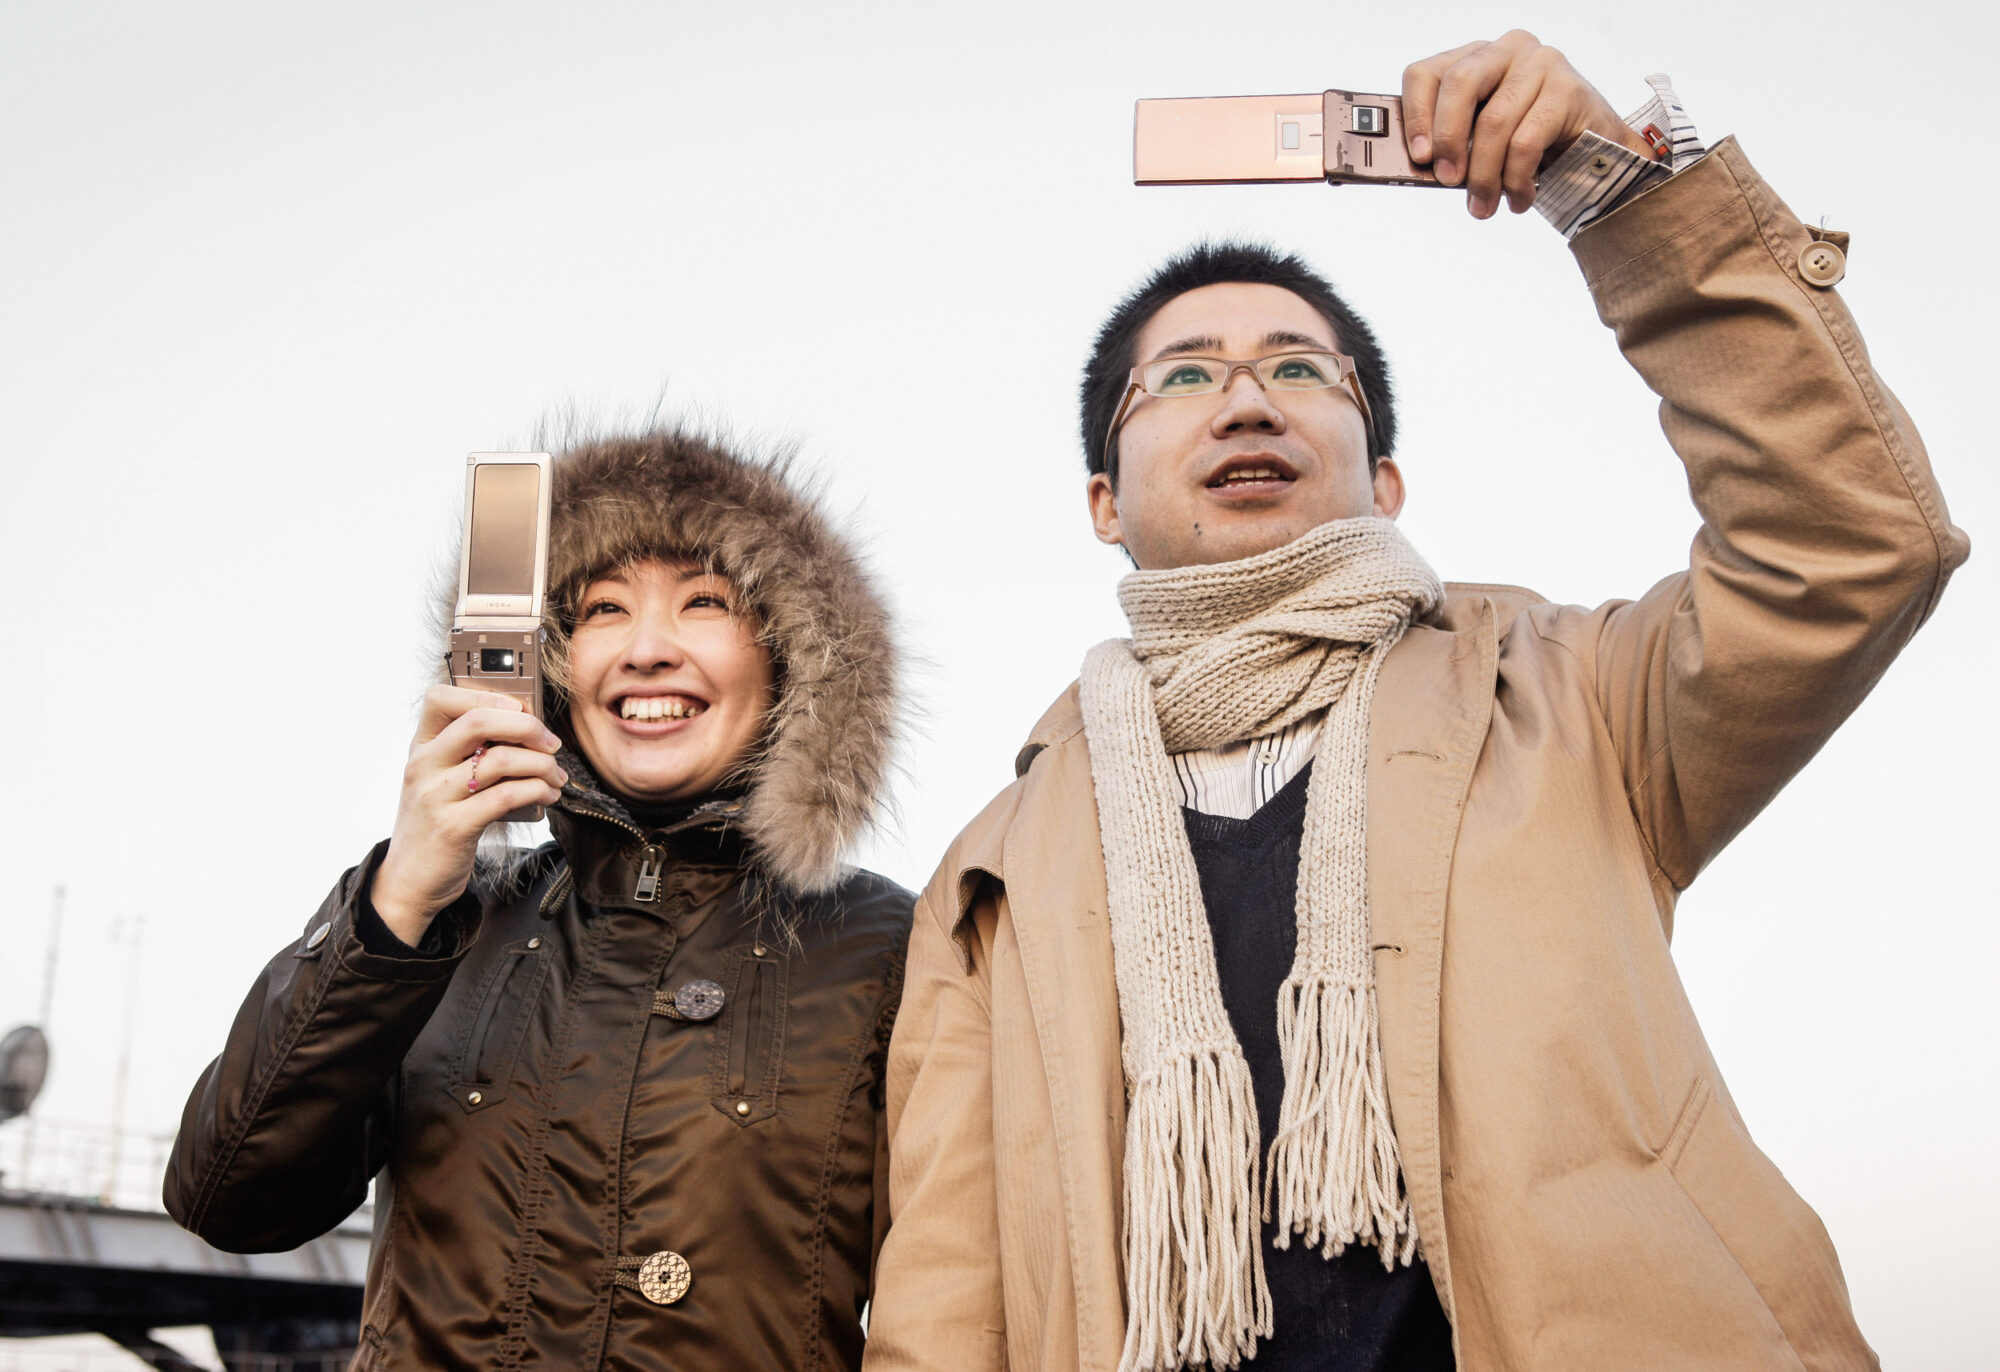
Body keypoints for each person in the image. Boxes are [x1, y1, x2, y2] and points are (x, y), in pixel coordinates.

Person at [864, 31, 1969, 1372]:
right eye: (1187, 376)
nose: (1248, 396)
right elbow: (942, 1293)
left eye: (1301, 367)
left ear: (1384, 482)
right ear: (1104, 502)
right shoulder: (994, 871)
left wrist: (1627, 201)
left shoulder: (1573, 701)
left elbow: (1851, 542)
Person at [166, 425, 912, 1371]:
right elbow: (228, 1198)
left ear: (792, 654)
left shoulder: (890, 945)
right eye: (603, 610)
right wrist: (397, 905)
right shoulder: (429, 920)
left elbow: (956, 1286)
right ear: (547, 660)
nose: (647, 650)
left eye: (704, 603)